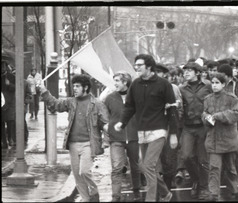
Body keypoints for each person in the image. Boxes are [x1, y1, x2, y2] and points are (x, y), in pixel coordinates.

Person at [114, 54, 178, 202]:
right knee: (146, 167)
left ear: (149, 67)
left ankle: (150, 199)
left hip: (159, 130)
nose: (136, 68)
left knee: (148, 166)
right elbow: (129, 107)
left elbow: (172, 110)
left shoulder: (164, 84)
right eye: (135, 65)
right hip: (142, 131)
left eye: (139, 65)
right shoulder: (135, 84)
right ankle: (165, 194)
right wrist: (122, 123)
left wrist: (173, 134)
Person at [37, 74, 107, 202]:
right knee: (77, 175)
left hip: (88, 143)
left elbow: (105, 123)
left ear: (85, 87)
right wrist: (43, 90)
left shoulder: (97, 104)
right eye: (73, 86)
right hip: (73, 144)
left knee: (84, 172)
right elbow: (55, 104)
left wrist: (107, 140)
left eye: (77, 86)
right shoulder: (71, 102)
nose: (74, 89)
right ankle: (86, 199)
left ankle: (94, 191)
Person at [202, 72, 238, 201]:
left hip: (228, 139)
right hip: (213, 139)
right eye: (212, 83)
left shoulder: (232, 98)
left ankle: (233, 189)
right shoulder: (207, 99)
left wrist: (220, 115)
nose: (214, 85)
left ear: (223, 84)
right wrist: (206, 118)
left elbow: (237, 114)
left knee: (230, 167)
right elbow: (204, 114)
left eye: (217, 83)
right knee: (214, 167)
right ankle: (214, 193)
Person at [102, 71, 141, 202]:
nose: (115, 83)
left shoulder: (136, 97)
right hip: (116, 138)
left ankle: (137, 192)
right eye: (115, 80)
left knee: (135, 167)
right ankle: (116, 197)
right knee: (117, 167)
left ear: (125, 82)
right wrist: (105, 126)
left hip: (134, 137)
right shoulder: (110, 98)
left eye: (117, 81)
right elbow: (103, 116)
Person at [178, 62, 213, 200]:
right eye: (184, 71)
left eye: (189, 71)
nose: (186, 73)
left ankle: (204, 188)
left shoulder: (208, 86)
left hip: (203, 126)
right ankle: (196, 180)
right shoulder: (181, 89)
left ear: (197, 73)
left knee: (203, 159)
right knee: (186, 156)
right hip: (187, 127)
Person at [154, 63, 182, 190]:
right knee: (154, 160)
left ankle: (168, 184)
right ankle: (160, 188)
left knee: (169, 158)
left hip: (169, 126)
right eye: (154, 72)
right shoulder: (146, 87)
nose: (156, 75)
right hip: (152, 127)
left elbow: (179, 108)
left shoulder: (173, 88)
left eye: (159, 72)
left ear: (164, 74)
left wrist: (175, 128)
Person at [1, 60, 16, 148]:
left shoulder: (11, 77)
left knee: (10, 122)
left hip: (9, 102)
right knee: (2, 123)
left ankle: (10, 138)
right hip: (1, 103)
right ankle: (3, 142)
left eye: (3, 66)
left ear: (6, 67)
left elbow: (15, 88)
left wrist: (9, 84)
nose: (2, 68)